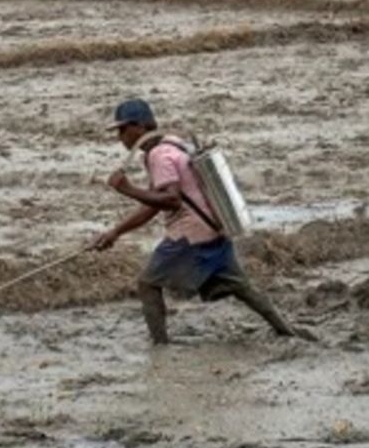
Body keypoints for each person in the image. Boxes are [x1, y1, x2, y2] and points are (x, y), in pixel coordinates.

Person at [92, 97, 313, 345]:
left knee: (147, 284)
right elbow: (154, 204)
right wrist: (116, 232)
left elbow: (171, 200)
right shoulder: (172, 144)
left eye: (123, 129)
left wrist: (128, 189)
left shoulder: (158, 155)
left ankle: (160, 347)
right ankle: (286, 331)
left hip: (189, 235)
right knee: (244, 289)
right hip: (214, 228)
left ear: (140, 126)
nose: (120, 137)